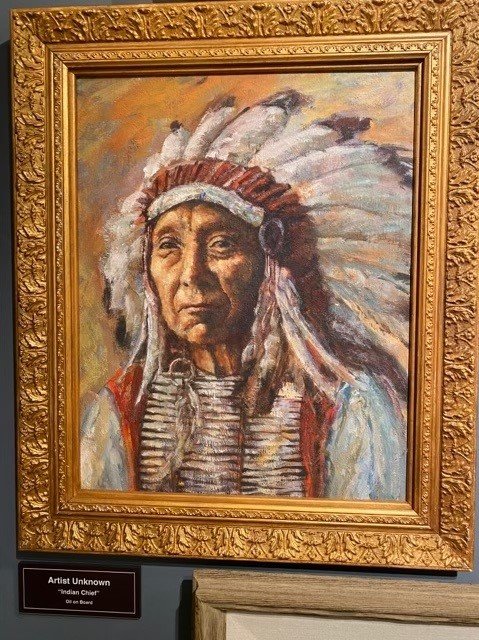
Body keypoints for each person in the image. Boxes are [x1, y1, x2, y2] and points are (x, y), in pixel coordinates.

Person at [81, 90, 411, 500]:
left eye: (222, 245)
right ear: (146, 269)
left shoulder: (348, 406)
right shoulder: (119, 410)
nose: (191, 276)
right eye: (169, 246)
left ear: (269, 265)